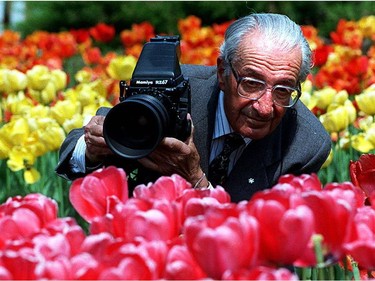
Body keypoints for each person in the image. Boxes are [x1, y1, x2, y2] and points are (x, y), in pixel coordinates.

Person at [56, 13, 332, 202]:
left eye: (283, 89)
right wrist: (92, 148)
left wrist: (194, 179)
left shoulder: (305, 143)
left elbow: (261, 238)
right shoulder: (172, 88)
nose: (264, 107)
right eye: (251, 83)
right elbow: (72, 153)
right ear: (223, 72)